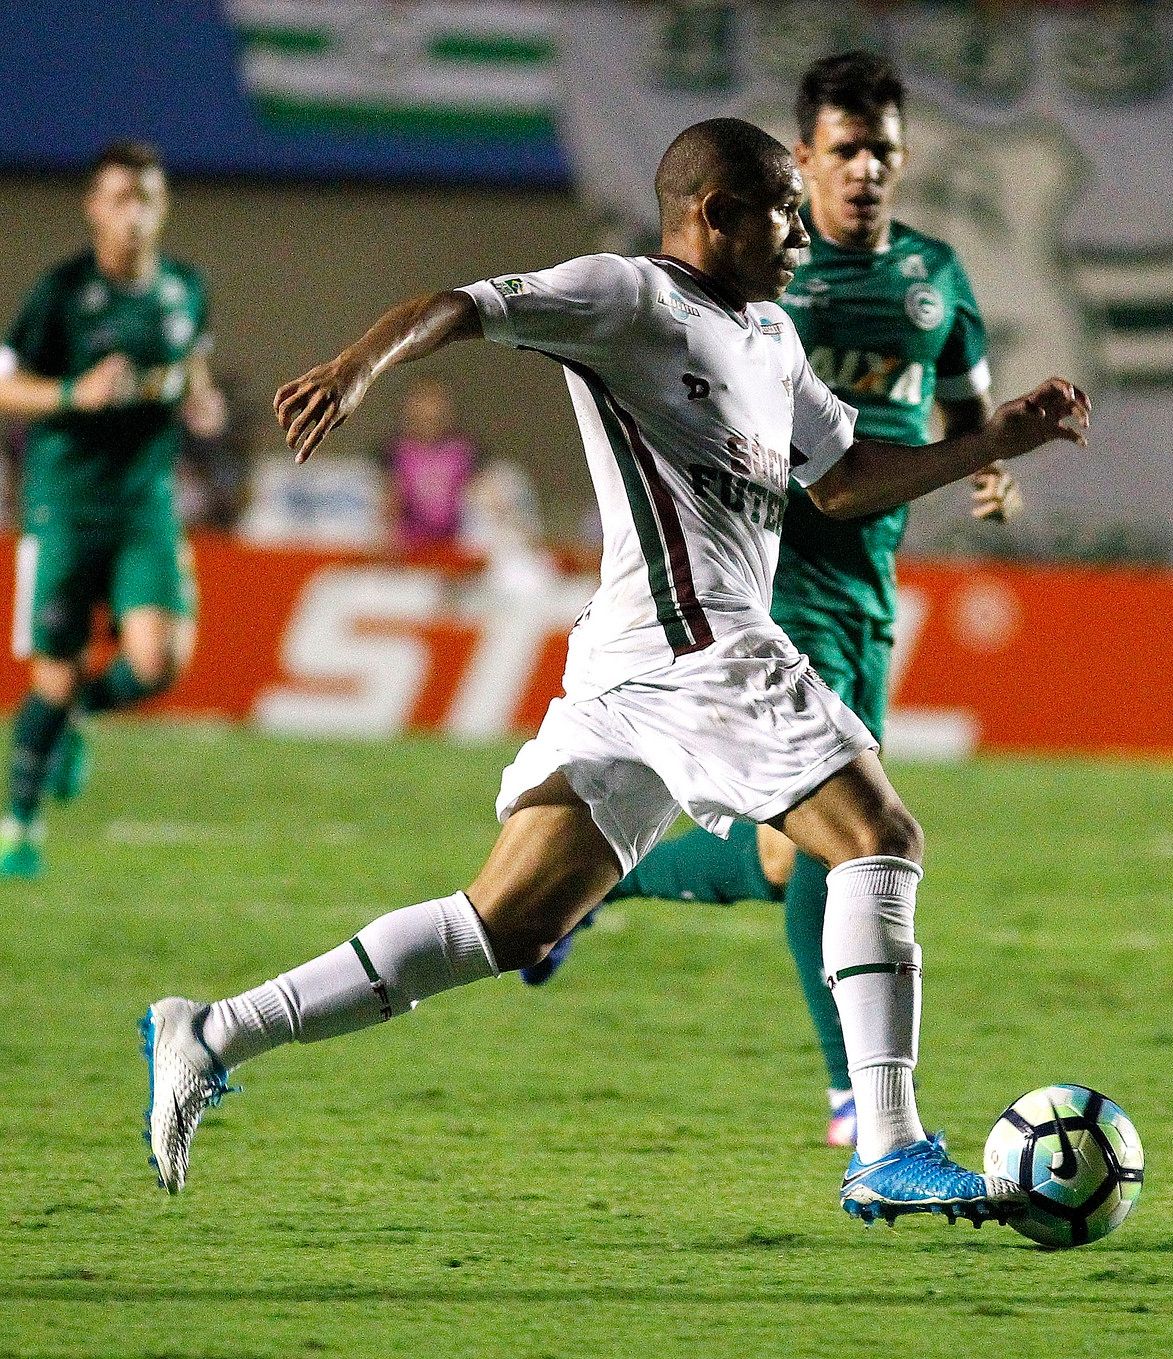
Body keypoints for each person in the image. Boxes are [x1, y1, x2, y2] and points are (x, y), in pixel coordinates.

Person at [139, 118, 1090, 1227]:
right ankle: (885, 1143)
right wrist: (357, 370)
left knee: (504, 925)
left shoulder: (772, 337)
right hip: (698, 647)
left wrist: (991, 442)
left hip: (632, 660)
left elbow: (840, 481)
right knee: (878, 836)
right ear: (715, 215)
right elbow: (461, 305)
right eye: (783, 212)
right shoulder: (624, 297)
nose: (800, 234)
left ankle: (211, 1031)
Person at [520, 50, 1018, 1153]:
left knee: (801, 851)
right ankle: (854, 1097)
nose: (866, 170)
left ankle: (599, 881)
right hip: (773, 581)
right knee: (848, 842)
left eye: (883, 150)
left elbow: (961, 393)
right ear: (805, 158)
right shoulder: (767, 284)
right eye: (846, 150)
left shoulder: (934, 275)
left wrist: (987, 461)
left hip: (870, 580)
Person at [0, 140, 225, 878]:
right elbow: (6, 385)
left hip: (144, 505)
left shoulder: (184, 288)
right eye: (120, 198)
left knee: (159, 662)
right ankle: (19, 825)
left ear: (163, 208)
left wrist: (201, 399)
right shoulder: (61, 293)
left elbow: (191, 365)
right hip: (63, 505)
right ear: (94, 208)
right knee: (55, 677)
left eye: (146, 199)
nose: (134, 214)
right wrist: (75, 392)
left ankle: (71, 722)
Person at [379, 375, 478, 551]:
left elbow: (479, 498)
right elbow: (389, 503)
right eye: (421, 401)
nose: (428, 411)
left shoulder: (464, 451)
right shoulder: (395, 451)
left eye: (434, 402)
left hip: (456, 547)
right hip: (410, 548)